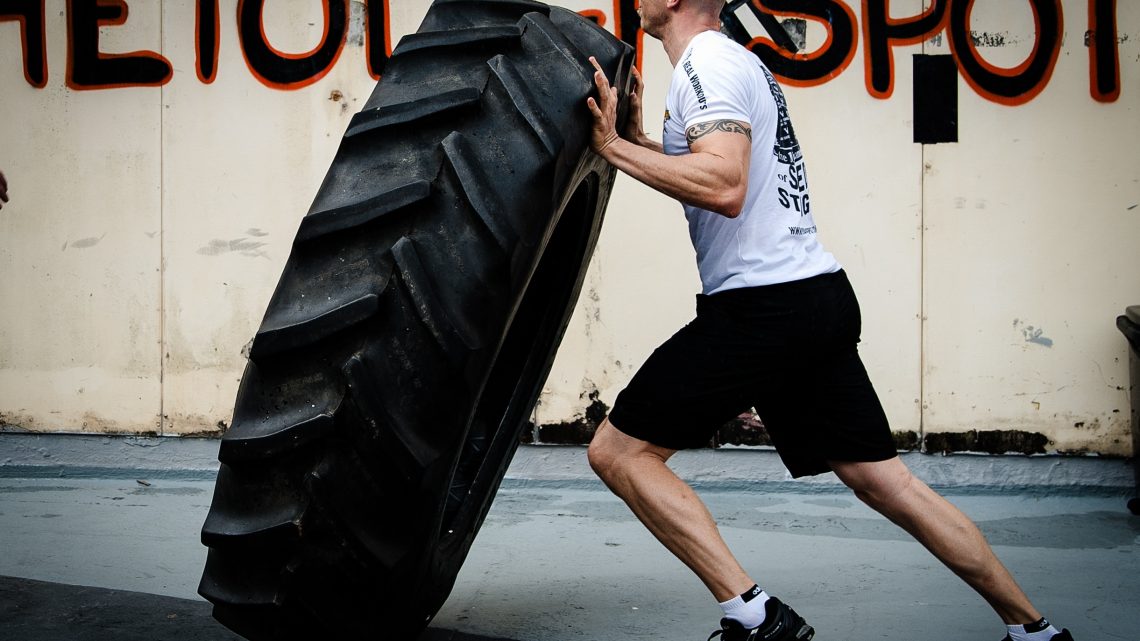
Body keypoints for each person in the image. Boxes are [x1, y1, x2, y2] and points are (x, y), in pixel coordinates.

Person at [583, 1, 1074, 640]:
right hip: (814, 298)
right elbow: (729, 175)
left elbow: (725, 186)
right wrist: (645, 143)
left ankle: (755, 616)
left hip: (764, 310)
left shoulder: (704, 62)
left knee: (620, 453)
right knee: (886, 481)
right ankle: (1034, 630)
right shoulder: (737, 62)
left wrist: (616, 148)